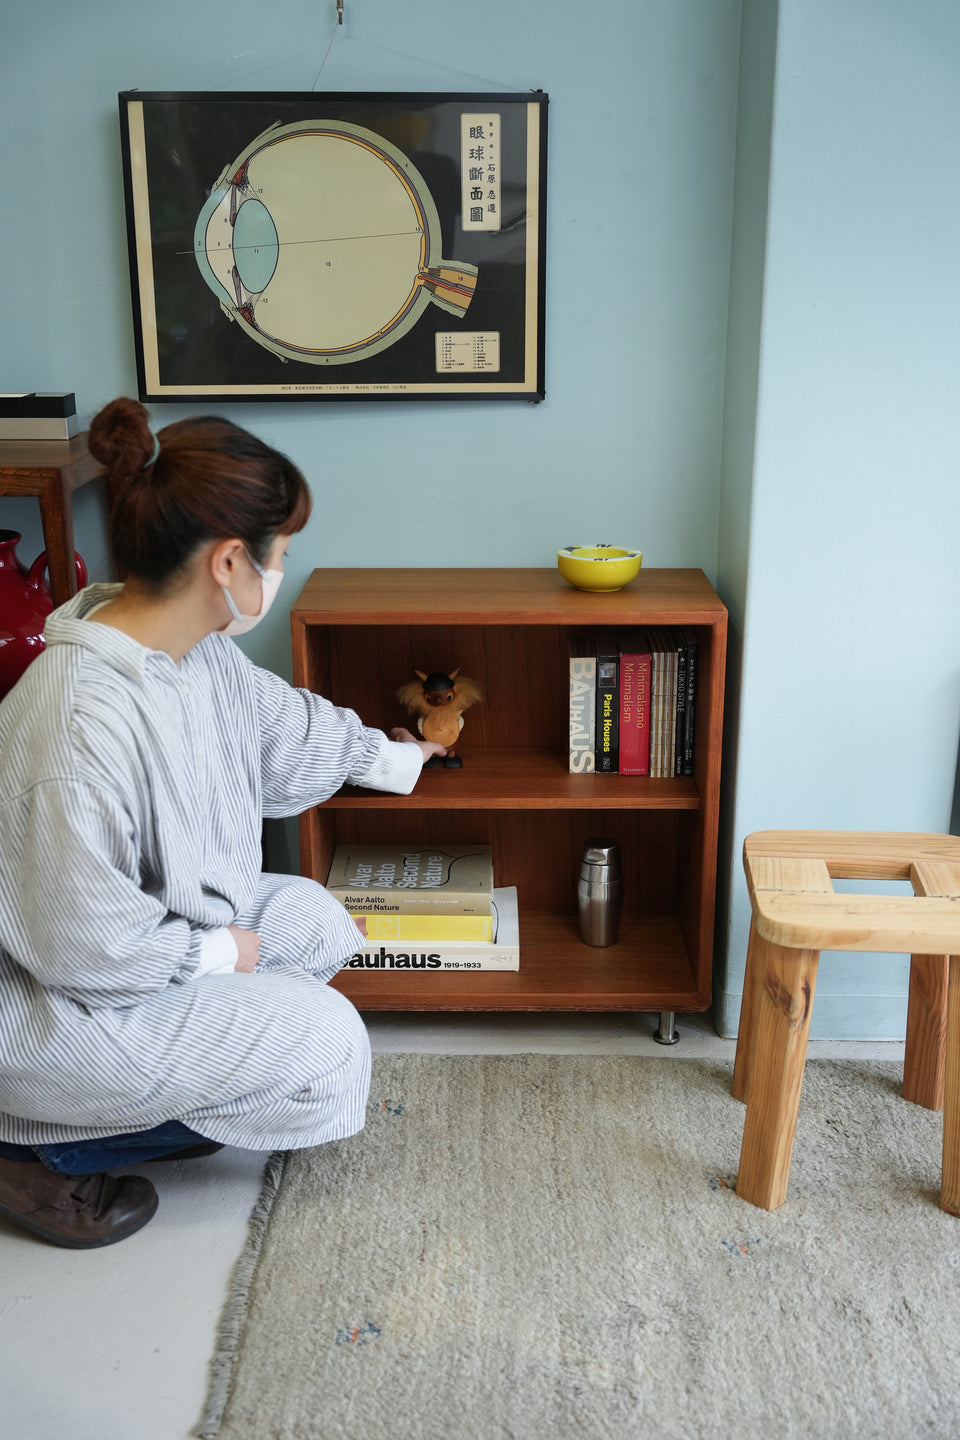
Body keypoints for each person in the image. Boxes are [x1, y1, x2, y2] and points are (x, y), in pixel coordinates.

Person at [0, 398, 445, 1248]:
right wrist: (213, 955)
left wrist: (397, 758)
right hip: (55, 1006)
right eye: (282, 555)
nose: (281, 572)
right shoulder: (74, 721)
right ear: (231, 561)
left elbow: (284, 729)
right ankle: (32, 1154)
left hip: (137, 952)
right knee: (324, 1051)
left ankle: (176, 1073)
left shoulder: (190, 649)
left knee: (314, 923)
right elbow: (76, 945)